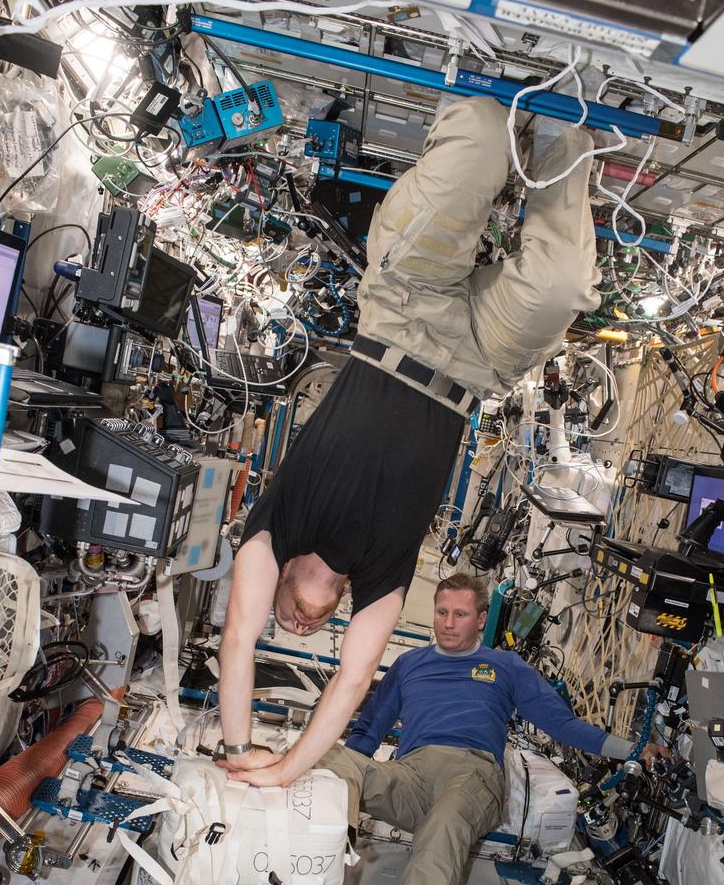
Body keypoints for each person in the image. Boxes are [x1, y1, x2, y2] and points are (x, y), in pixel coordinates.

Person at [219, 94, 601, 789]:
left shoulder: (272, 533)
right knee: (562, 286)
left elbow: (236, 640)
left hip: (397, 318)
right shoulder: (381, 586)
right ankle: (560, 132)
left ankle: (492, 104)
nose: (297, 628)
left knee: (482, 135)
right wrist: (288, 772)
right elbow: (355, 676)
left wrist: (244, 749)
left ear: (274, 590)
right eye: (307, 633)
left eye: (285, 622)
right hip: (472, 367)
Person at [320, 573, 667, 885]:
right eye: (442, 612)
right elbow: (368, 732)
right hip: (411, 774)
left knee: (447, 821)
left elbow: (563, 725)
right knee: (332, 760)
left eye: (460, 614)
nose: (448, 623)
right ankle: (321, 863)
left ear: (481, 620)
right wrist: (347, 776)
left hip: (473, 774)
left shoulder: (504, 666)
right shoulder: (408, 664)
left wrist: (634, 750)